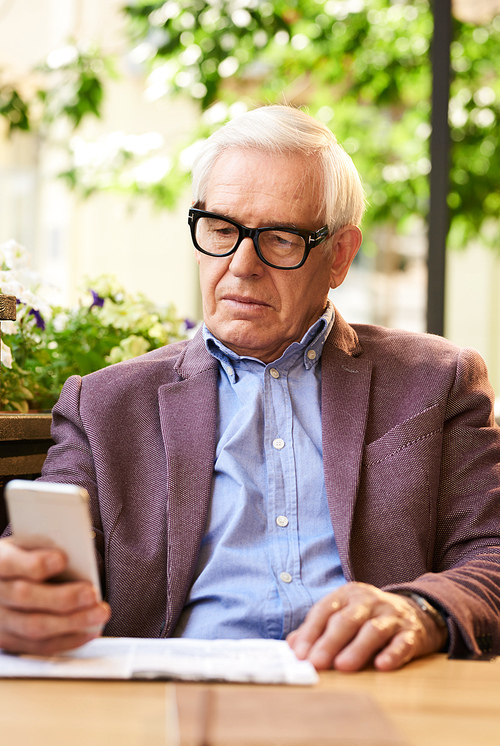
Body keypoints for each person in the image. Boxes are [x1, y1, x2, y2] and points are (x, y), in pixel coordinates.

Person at [1, 105, 499, 671]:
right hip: (169, 695)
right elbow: (36, 561)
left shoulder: (437, 380)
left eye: (280, 239)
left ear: (339, 255)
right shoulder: (105, 405)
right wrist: (19, 595)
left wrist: (420, 612)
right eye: (220, 230)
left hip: (368, 685)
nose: (240, 265)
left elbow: (491, 552)